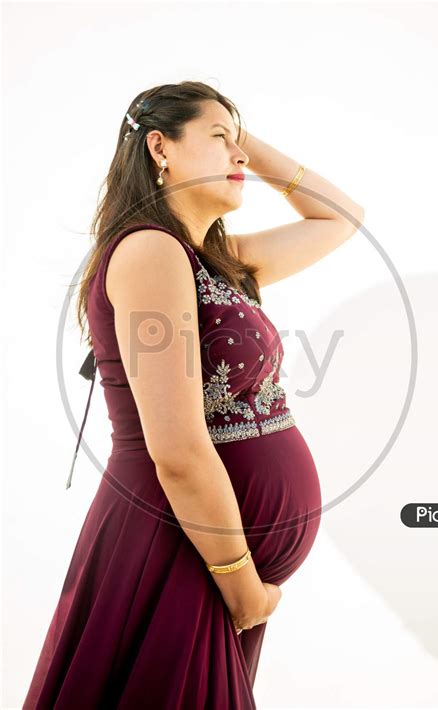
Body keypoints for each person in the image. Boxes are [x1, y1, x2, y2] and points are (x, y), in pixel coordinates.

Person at [23, 80, 364, 709]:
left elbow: (340, 219)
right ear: (160, 147)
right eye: (217, 139)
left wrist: (242, 141)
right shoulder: (151, 252)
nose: (237, 158)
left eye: (238, 145)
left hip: (205, 553)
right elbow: (177, 449)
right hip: (178, 547)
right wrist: (243, 589)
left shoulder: (213, 259)